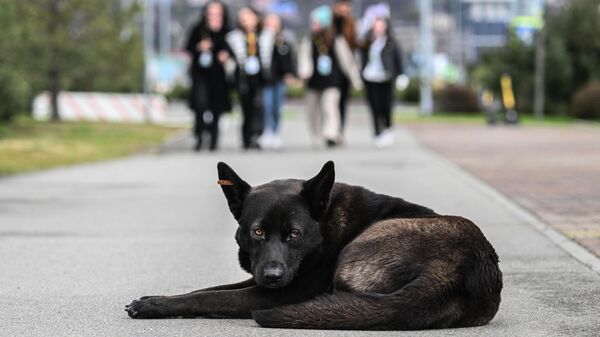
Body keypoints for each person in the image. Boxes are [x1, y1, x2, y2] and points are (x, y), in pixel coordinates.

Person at [298, 5, 362, 148]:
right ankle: (316, 136)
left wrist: (355, 79)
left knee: (330, 107)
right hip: (313, 81)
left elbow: (347, 61)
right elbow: (304, 58)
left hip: (332, 81)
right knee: (312, 111)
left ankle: (331, 134)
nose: (313, 25)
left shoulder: (336, 39)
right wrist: (304, 72)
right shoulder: (309, 40)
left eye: (316, 22)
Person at [185, 0, 232, 151]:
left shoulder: (226, 31)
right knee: (200, 104)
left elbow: (231, 49)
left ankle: (213, 139)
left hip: (217, 75)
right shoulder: (198, 29)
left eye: (217, 13)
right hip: (200, 74)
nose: (214, 16)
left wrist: (225, 54)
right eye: (211, 13)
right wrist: (199, 47)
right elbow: (188, 47)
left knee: (216, 107)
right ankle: (199, 136)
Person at [225, 7, 265, 150]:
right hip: (243, 79)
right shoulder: (234, 37)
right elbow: (228, 55)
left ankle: (256, 135)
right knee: (246, 109)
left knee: (259, 107)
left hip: (259, 78)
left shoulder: (263, 35)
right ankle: (247, 137)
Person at [360, 17, 402, 148]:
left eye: (380, 26)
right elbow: (361, 57)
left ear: (385, 27)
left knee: (386, 106)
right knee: (374, 107)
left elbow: (398, 59)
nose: (378, 28)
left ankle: (388, 129)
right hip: (370, 78)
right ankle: (377, 133)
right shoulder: (368, 42)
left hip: (386, 78)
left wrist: (401, 75)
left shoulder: (391, 42)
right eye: (375, 26)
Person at [259, 14, 295, 150]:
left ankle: (275, 132)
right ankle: (267, 130)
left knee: (277, 107)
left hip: (279, 80)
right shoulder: (261, 40)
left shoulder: (283, 40)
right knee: (267, 105)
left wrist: (289, 73)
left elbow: (288, 60)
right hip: (266, 80)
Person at [332, 0, 358, 135]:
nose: (345, 9)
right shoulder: (330, 22)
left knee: (342, 102)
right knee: (331, 102)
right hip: (331, 69)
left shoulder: (351, 23)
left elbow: (355, 43)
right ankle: (331, 129)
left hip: (345, 69)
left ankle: (340, 130)